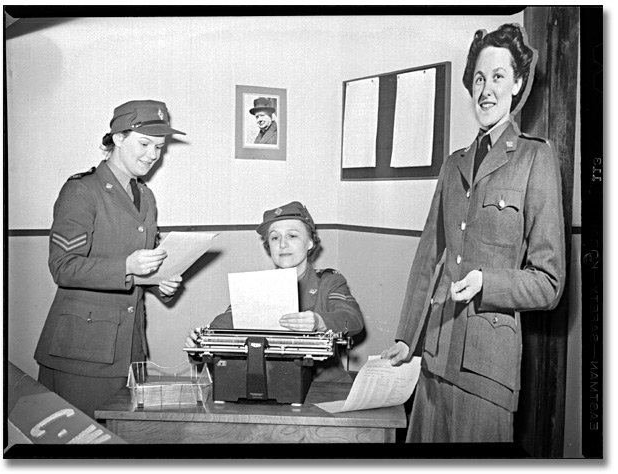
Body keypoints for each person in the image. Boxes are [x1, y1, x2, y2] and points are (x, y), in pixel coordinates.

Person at [381, 23, 566, 443]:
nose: (486, 89)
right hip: (434, 352)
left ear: (518, 84)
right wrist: (405, 337)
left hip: (488, 369)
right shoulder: (454, 165)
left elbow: (550, 283)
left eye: (499, 77)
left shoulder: (536, 159)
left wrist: (488, 283)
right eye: (480, 78)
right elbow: (428, 258)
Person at [34, 100, 186, 417]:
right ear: (117, 137)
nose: (153, 155)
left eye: (159, 147)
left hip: (128, 346)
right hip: (83, 350)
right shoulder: (82, 191)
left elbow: (142, 261)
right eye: (144, 144)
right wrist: (127, 267)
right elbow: (63, 267)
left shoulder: (145, 196)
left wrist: (161, 282)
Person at [185, 201, 364, 382]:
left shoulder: (328, 281)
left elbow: (353, 319)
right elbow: (225, 323)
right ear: (268, 246)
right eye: (274, 238)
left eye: (292, 236)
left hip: (324, 385)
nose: (283, 245)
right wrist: (201, 343)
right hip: (272, 383)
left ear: (310, 242)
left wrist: (320, 321)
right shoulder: (257, 286)